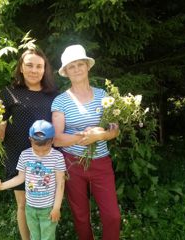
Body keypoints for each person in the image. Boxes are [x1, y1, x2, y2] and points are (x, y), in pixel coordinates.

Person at [51, 44, 121, 240]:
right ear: (66, 72)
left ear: (87, 66)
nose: (76, 69)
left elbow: (115, 130)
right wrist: (83, 137)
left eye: (80, 64)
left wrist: (100, 136)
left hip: (101, 163)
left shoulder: (103, 96)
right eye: (71, 66)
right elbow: (57, 139)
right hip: (73, 163)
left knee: (113, 216)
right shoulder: (60, 101)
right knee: (81, 215)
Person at [0, 47, 58, 240]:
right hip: (19, 155)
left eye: (39, 66)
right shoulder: (8, 93)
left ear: (45, 70)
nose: (34, 70)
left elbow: (59, 126)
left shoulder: (53, 94)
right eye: (29, 65)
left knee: (45, 204)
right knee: (23, 204)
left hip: (46, 157)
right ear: (21, 67)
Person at [0, 120, 66, 240]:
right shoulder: (25, 155)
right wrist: (2, 186)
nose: (41, 153)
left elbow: (60, 184)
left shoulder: (57, 157)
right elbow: (20, 178)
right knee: (34, 236)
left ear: (52, 140)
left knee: (48, 237)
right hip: (30, 208)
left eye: (45, 149)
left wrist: (56, 207)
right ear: (30, 140)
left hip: (48, 209)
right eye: (36, 149)